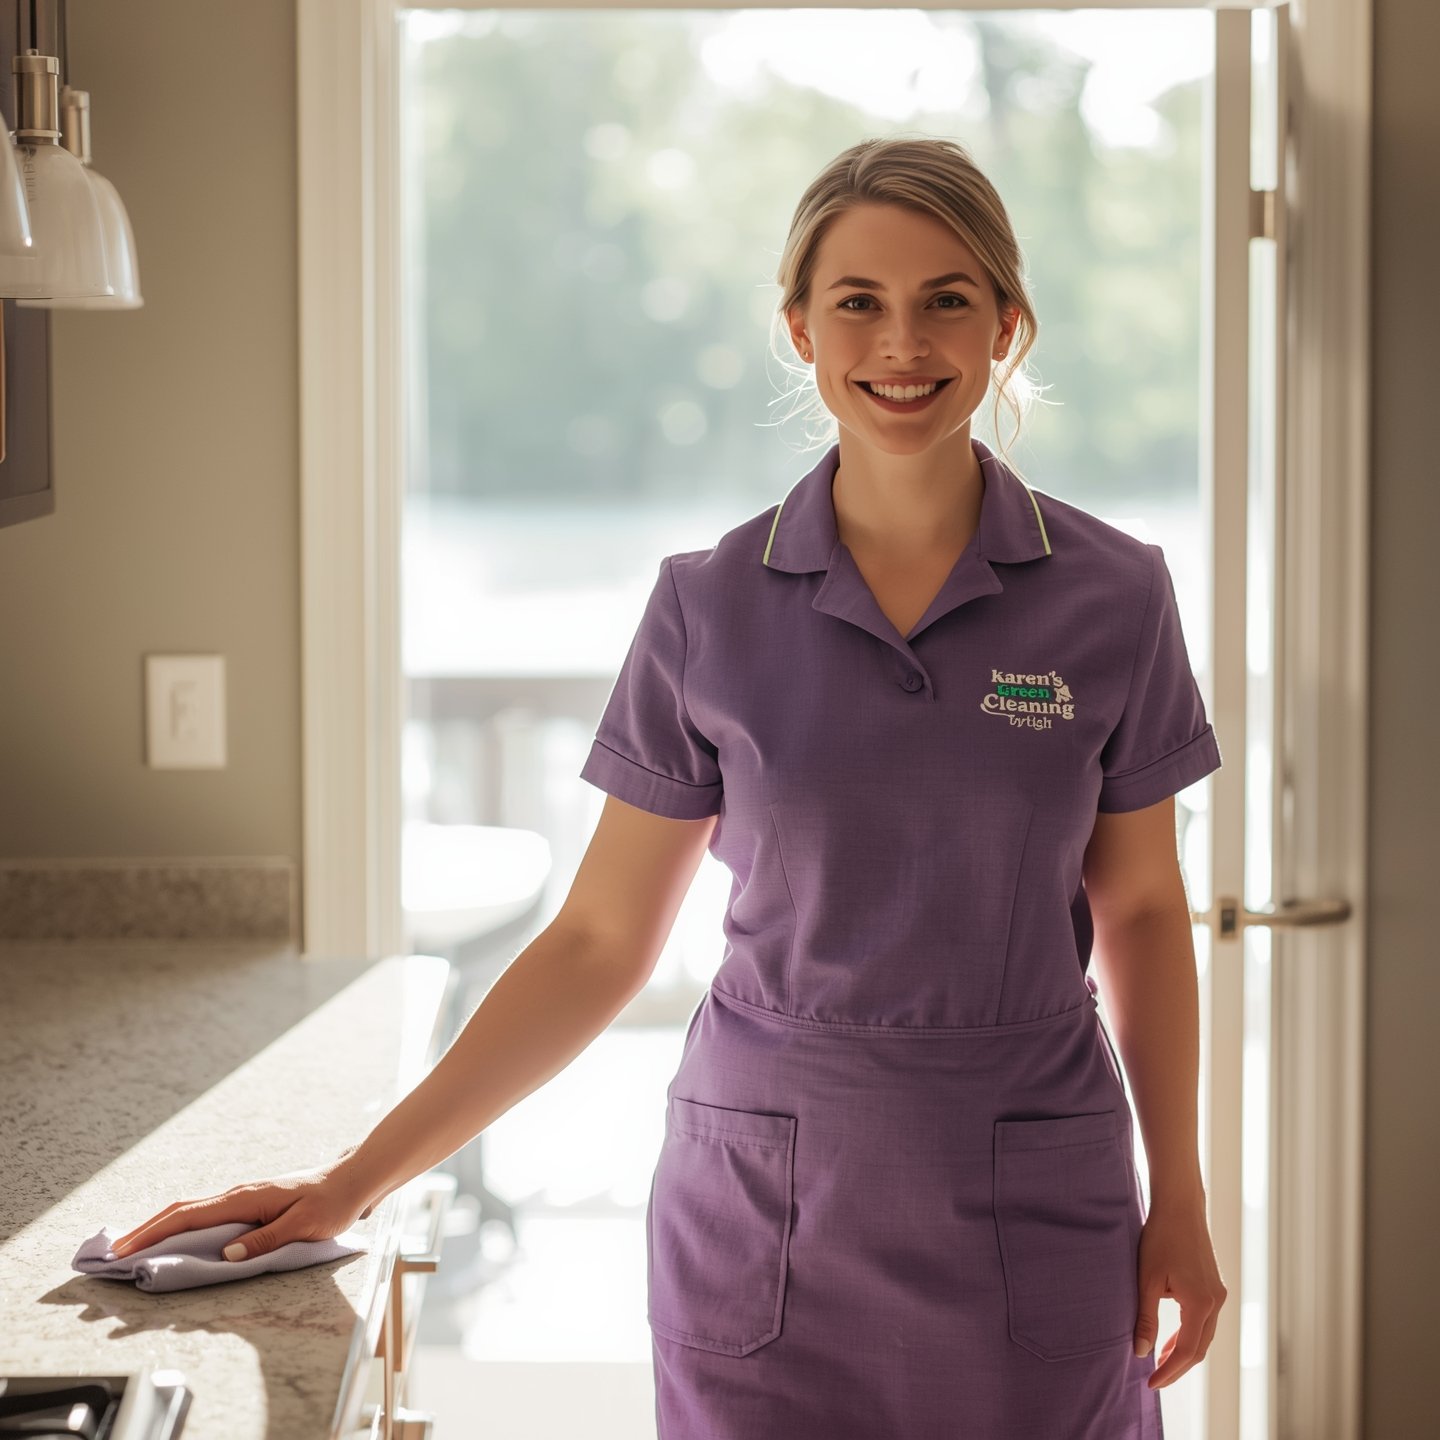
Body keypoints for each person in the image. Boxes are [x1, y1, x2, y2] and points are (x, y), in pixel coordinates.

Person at [112, 136, 1227, 1437]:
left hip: (1036, 1197)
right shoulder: (709, 608)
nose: (902, 343)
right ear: (799, 329)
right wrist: (349, 1185)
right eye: (857, 301)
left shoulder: (1115, 596)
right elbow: (598, 941)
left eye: (947, 299)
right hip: (765, 1213)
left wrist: (1184, 1194)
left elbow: (1144, 909)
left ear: (1007, 326)